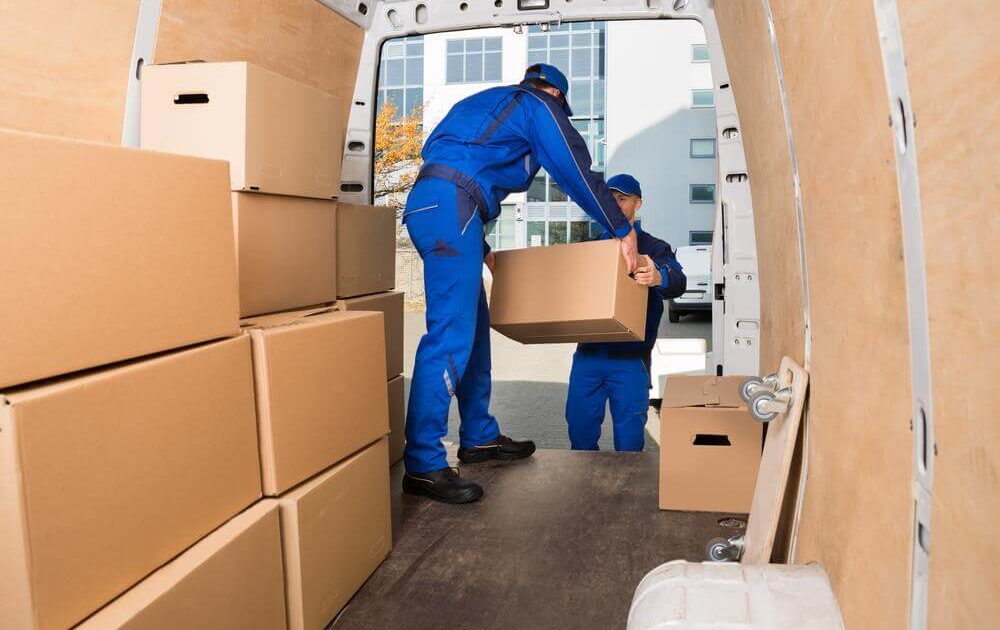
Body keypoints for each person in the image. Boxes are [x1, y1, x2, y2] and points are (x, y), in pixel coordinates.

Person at [401, 64, 639, 504]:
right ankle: (422, 463)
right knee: (449, 336)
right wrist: (621, 229)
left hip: (435, 206)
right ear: (555, 95)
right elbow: (574, 169)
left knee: (473, 330)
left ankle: (479, 436)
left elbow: (449, 161)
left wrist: (479, 243)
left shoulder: (481, 104)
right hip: (454, 206)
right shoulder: (537, 105)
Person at [565, 174, 687, 452]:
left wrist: (659, 276)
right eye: (611, 199)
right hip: (587, 356)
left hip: (631, 360)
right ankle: (584, 480)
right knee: (580, 431)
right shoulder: (591, 247)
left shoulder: (654, 248)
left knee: (630, 441)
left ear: (638, 204)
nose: (616, 204)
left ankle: (627, 483)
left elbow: (679, 281)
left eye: (622, 199)